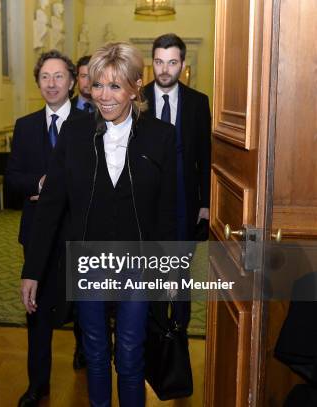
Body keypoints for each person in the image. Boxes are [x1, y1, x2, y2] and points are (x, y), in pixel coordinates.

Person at [21, 42, 177, 406]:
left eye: (115, 86)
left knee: (129, 354)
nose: (104, 96)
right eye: (98, 85)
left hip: (138, 264)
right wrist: (32, 271)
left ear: (136, 87)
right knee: (93, 353)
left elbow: (168, 214)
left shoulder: (160, 137)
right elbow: (51, 207)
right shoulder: (75, 134)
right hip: (88, 262)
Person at [6, 50, 87, 407]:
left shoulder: (90, 124)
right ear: (38, 82)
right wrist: (41, 185)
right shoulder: (25, 126)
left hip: (79, 234)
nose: (51, 84)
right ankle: (37, 384)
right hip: (36, 234)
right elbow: (12, 178)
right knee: (36, 311)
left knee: (85, 306)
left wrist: (63, 191)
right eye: (45, 77)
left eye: (59, 77)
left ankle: (87, 357)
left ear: (72, 82)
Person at [144, 33, 211, 327]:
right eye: (159, 62)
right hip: (149, 201)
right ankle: (157, 330)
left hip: (185, 199)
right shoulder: (137, 99)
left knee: (181, 269)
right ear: (153, 62)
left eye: (171, 62)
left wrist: (206, 202)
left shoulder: (198, 102)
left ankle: (179, 331)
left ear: (182, 64)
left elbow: (205, 157)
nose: (164, 69)